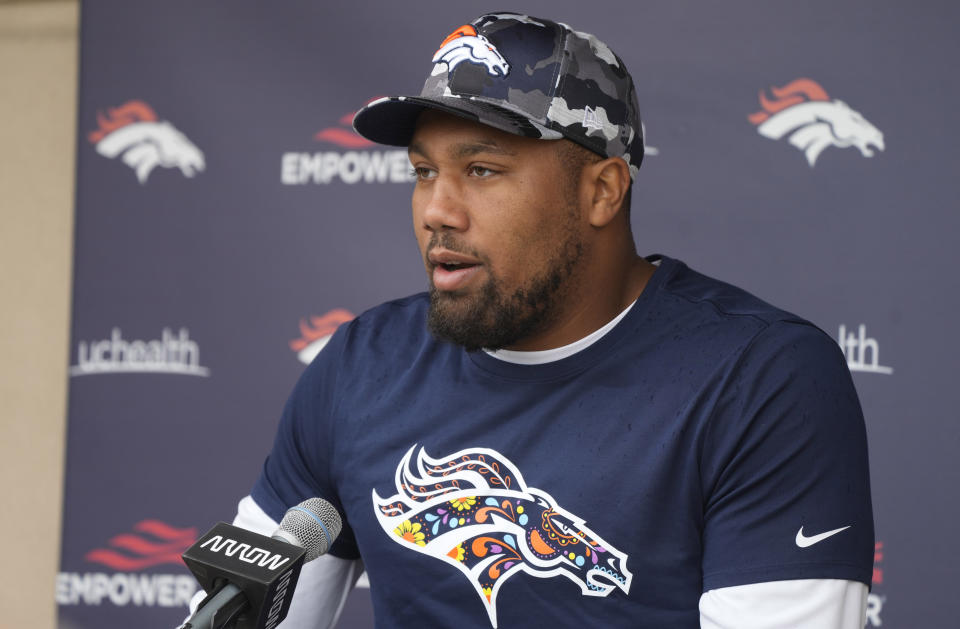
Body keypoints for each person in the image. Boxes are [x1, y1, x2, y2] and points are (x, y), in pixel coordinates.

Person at [209, 12, 875, 628]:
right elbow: (240, 607)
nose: (437, 209)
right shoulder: (361, 367)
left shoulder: (760, 379)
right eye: (423, 171)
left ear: (602, 190)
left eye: (481, 169)